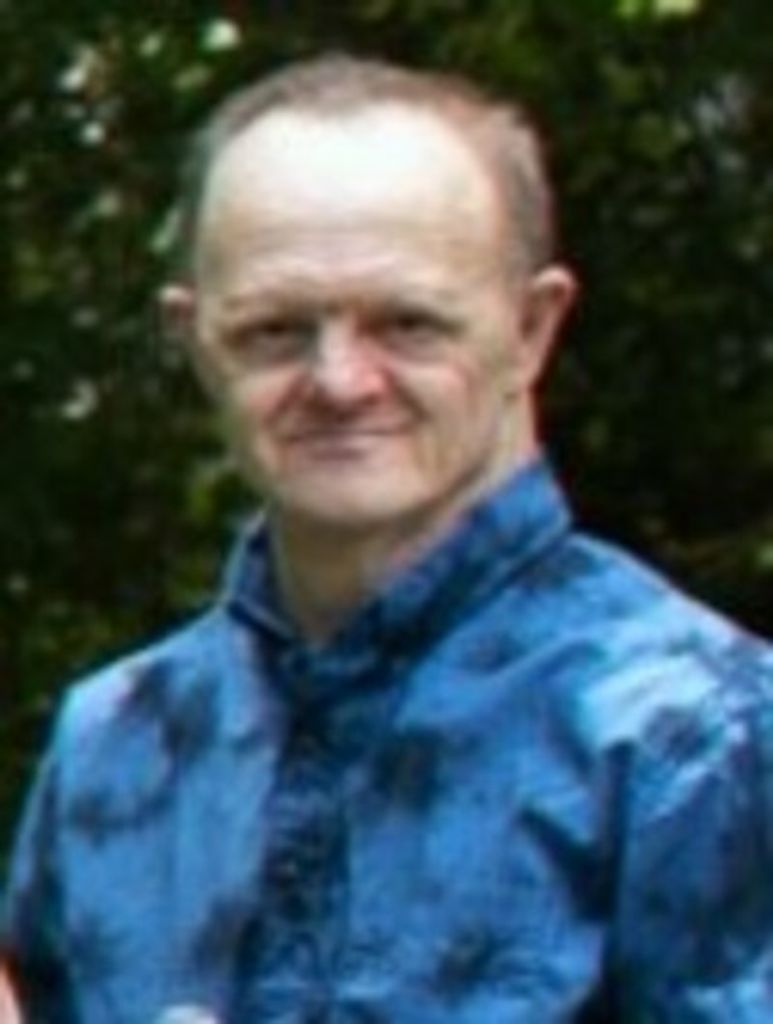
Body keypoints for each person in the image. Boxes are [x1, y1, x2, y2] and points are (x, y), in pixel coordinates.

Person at [3, 52, 773, 1024]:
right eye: (275, 330)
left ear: (531, 330)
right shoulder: (119, 737)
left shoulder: (700, 733)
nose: (339, 381)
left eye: (407, 324)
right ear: (193, 340)